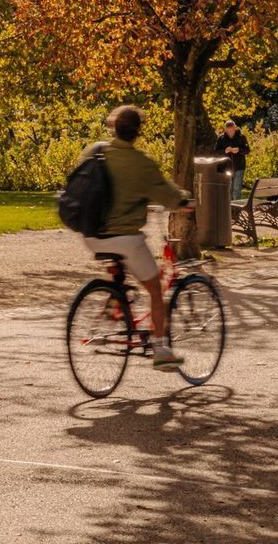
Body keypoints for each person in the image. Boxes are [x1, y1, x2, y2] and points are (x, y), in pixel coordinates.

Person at [77, 105, 192, 371]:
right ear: (137, 133)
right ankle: (161, 349)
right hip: (125, 238)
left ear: (113, 128)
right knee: (153, 288)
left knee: (120, 270)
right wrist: (184, 200)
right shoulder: (141, 162)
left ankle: (115, 301)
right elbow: (167, 195)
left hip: (92, 234)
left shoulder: (96, 152)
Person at [218, 120, 250, 203]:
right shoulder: (221, 138)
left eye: (232, 130)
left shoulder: (242, 137)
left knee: (237, 190)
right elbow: (215, 152)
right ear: (225, 129)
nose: (230, 132)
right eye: (228, 130)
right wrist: (224, 151)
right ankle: (229, 210)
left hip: (239, 167)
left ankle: (237, 210)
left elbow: (247, 150)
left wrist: (239, 150)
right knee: (228, 190)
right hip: (225, 168)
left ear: (235, 128)